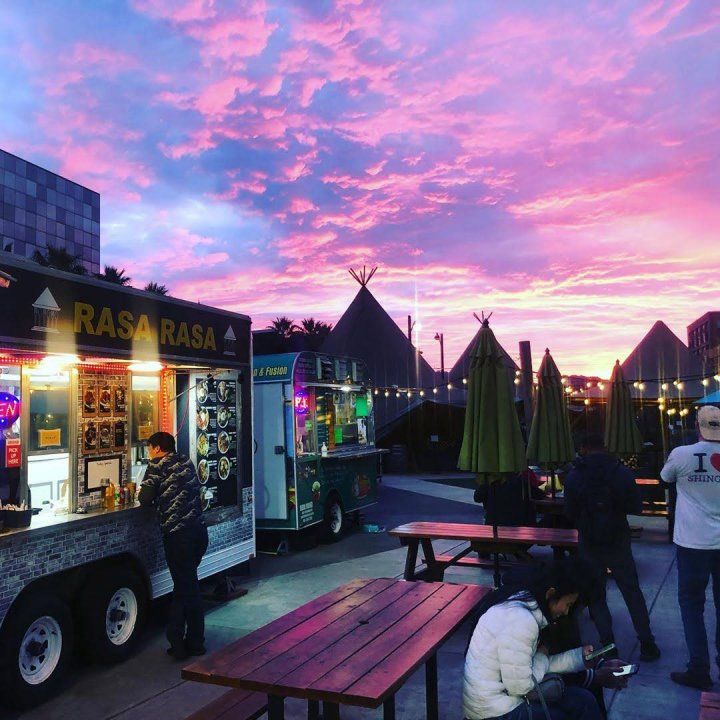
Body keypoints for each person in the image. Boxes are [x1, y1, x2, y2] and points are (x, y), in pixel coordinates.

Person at [463, 558, 604, 719]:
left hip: (507, 698)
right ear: (551, 594)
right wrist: (543, 656)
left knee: (584, 700)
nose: (566, 612)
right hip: (493, 711)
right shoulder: (522, 620)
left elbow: (533, 667)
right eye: (568, 605)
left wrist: (579, 658)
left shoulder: (531, 605)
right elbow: (520, 686)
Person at [563, 434, 660, 662]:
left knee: (597, 596)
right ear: (606, 445)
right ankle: (647, 643)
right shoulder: (621, 472)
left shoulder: (575, 475)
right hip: (618, 540)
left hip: (589, 542)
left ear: (584, 447)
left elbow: (568, 512)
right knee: (632, 592)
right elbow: (636, 506)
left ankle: (609, 646)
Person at [661, 405, 720, 690]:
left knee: (691, 605)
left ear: (698, 426)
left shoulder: (682, 455)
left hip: (693, 544)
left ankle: (699, 668)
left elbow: (665, 477)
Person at [139, 431, 208, 660]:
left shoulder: (157, 466)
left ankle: (195, 643)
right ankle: (178, 640)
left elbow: (145, 499)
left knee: (188, 589)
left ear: (157, 448)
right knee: (184, 586)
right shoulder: (185, 460)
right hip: (199, 532)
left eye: (149, 448)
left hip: (178, 537)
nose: (149, 452)